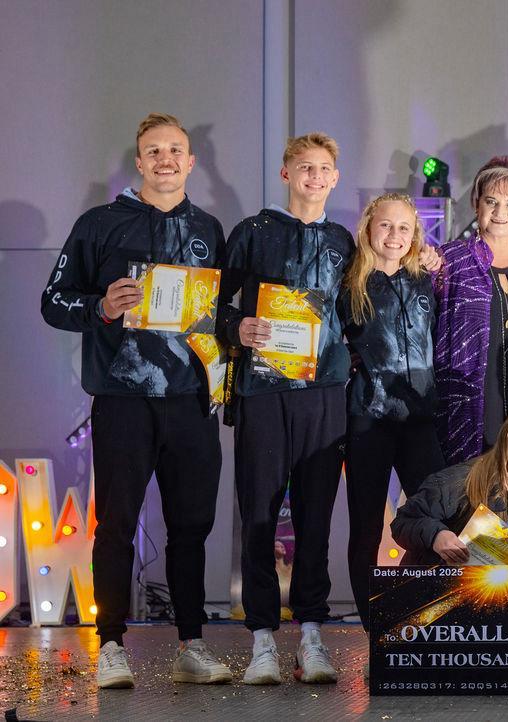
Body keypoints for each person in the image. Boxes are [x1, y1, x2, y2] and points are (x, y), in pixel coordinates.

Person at [40, 113, 231, 688]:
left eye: (175, 150)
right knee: (117, 524)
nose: (165, 159)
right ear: (140, 161)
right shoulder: (99, 224)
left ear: (190, 163)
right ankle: (111, 647)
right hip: (123, 399)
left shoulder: (208, 228)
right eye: (154, 151)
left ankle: (192, 645)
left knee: (191, 527)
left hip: (192, 400)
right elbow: (53, 302)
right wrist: (100, 306)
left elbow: (219, 314)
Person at [217, 133, 353, 685]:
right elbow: (212, 302)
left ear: (335, 178)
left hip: (324, 395)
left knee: (317, 517)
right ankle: (262, 640)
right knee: (259, 514)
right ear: (285, 174)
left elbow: (358, 310)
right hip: (263, 392)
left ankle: (312, 635)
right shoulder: (252, 232)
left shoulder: (344, 240)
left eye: (323, 169)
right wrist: (237, 326)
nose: (314, 177)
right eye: (305, 168)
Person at [341, 193, 446, 631]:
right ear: (369, 229)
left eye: (404, 227)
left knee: (437, 516)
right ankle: (374, 626)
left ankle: (418, 608)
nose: (394, 235)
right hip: (369, 418)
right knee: (367, 525)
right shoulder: (349, 283)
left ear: (415, 233)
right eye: (386, 225)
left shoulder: (425, 278)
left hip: (420, 419)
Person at [433, 156, 508, 464]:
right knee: (471, 484)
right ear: (477, 205)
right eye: (492, 201)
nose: (501, 212)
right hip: (469, 404)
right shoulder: (450, 260)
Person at [391, 406, 508, 565]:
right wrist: (436, 536)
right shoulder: (461, 480)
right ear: (506, 436)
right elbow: (403, 522)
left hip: (495, 580)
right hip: (437, 578)